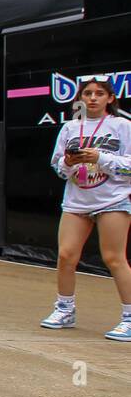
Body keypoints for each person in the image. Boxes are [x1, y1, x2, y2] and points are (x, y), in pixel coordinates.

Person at [39, 76, 131, 341]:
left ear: (110, 98)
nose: (92, 98)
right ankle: (64, 310)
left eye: (99, 93)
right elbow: (58, 168)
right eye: (88, 93)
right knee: (66, 256)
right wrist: (69, 161)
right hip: (76, 202)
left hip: (113, 200)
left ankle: (128, 317)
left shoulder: (122, 126)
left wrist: (99, 156)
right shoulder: (70, 128)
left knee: (114, 258)